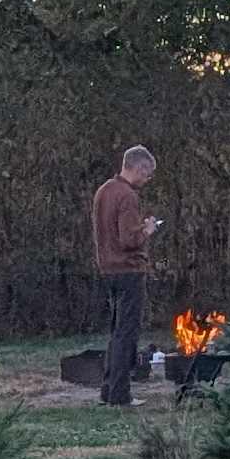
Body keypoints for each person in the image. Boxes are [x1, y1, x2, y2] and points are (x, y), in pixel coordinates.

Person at [90, 145, 158, 408]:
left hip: (108, 269)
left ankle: (108, 390)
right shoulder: (127, 196)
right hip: (129, 270)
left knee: (115, 332)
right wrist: (148, 230)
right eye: (148, 174)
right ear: (139, 168)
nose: (147, 180)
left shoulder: (104, 191)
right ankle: (120, 394)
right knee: (126, 334)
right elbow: (129, 239)